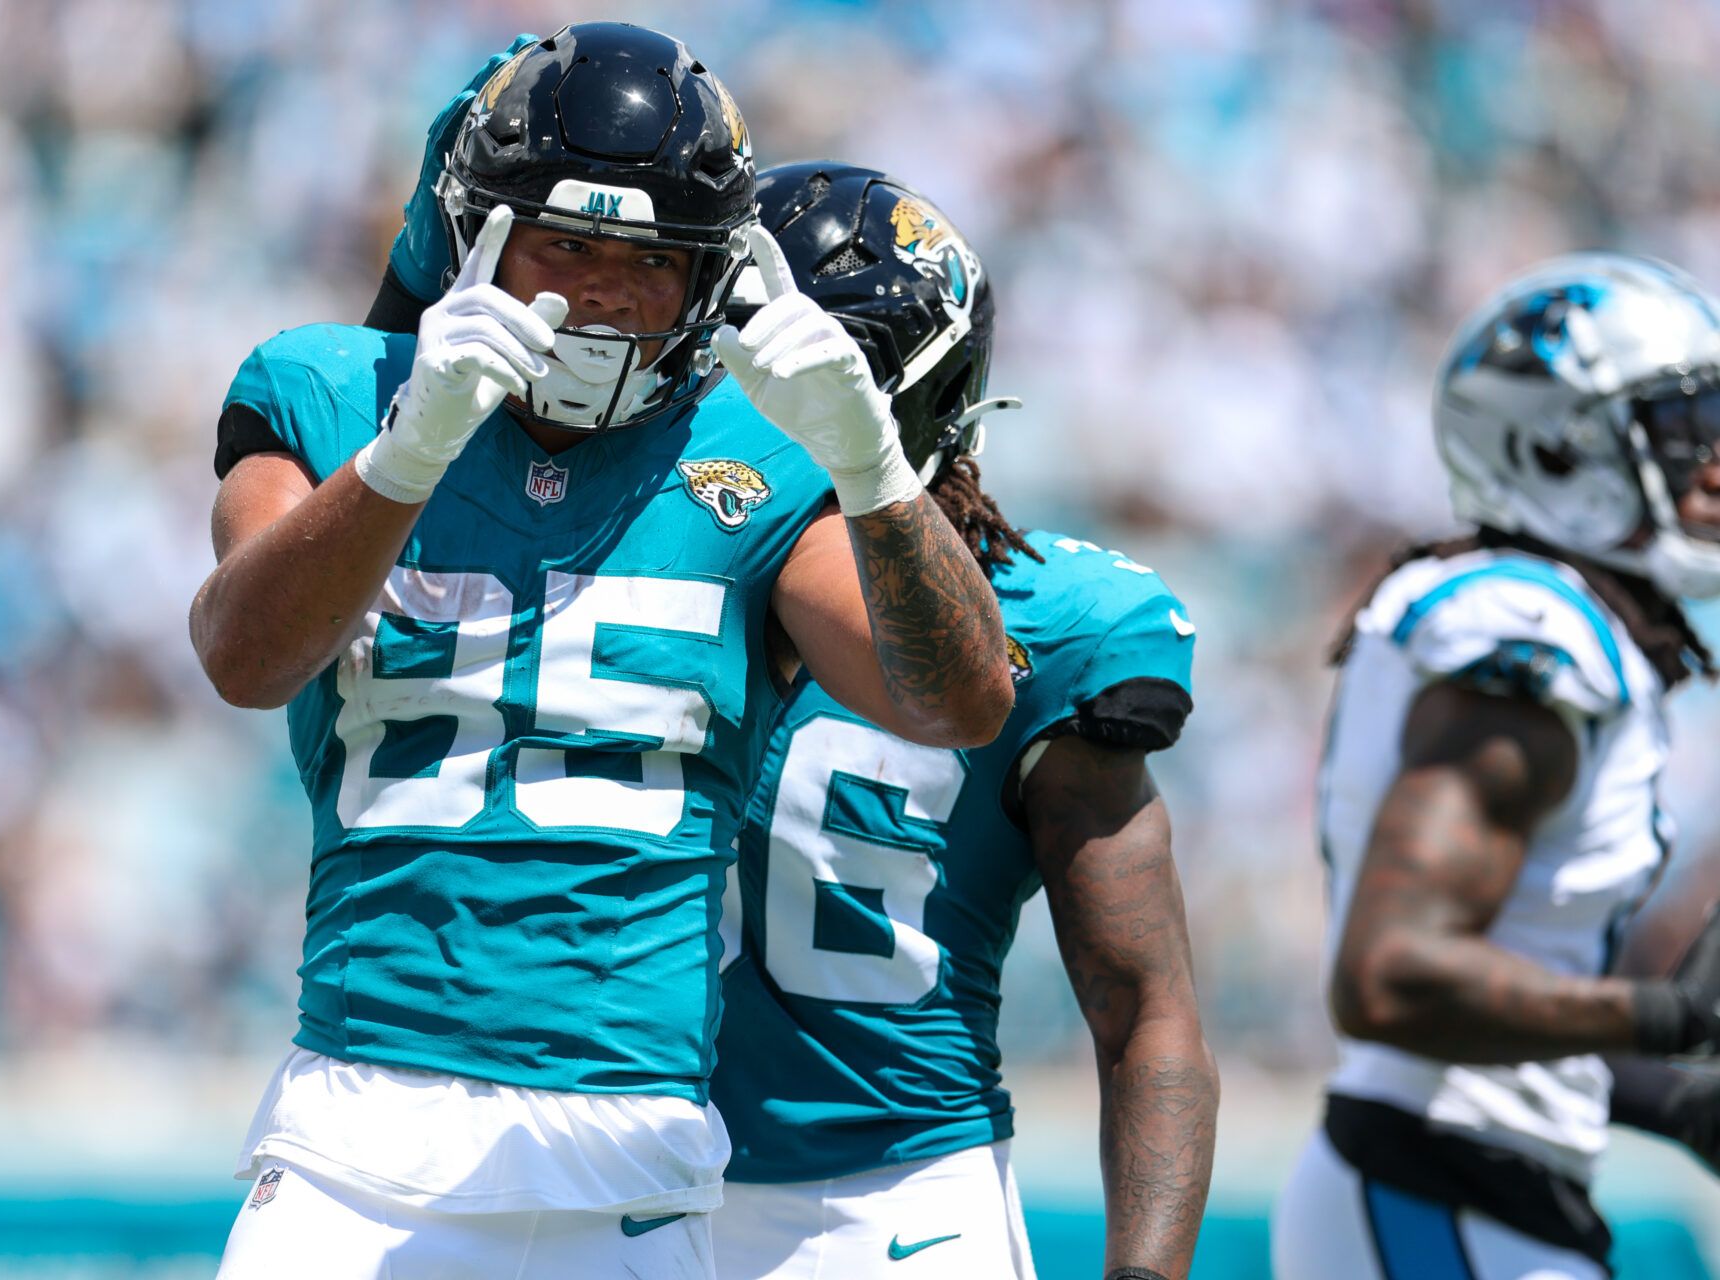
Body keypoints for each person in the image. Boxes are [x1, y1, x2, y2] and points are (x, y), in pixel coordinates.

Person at [189, 25, 1013, 1279]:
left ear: (713, 276)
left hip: (633, 1148)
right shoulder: (335, 388)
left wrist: (872, 465)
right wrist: (405, 456)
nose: (608, 293)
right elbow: (242, 657)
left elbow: (958, 700)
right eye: (566, 244)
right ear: (476, 233)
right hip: (355, 1132)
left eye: (653, 259)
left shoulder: (764, 451)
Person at [707, 163, 1217, 1280]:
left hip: (896, 1204)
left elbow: (1146, 1009)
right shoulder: (634, 573)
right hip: (628, 1168)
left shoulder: (1040, 629)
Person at [1273, 253, 1720, 1280]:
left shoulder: (1551, 620)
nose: (1716, 464)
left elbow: (1508, 980)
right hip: (1435, 1190)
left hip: (1463, 1191)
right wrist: (1672, 1015)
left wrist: (1674, 1098)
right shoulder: (1530, 635)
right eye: (1686, 429)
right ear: (1560, 448)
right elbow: (1393, 977)